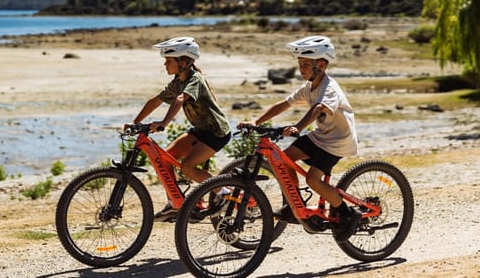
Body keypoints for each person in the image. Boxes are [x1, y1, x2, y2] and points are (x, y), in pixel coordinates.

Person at [238, 35, 361, 241]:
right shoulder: (309, 87)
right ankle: (294, 204)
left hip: (337, 141)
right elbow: (283, 104)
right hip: (321, 136)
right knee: (283, 161)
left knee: (313, 179)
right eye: (299, 64)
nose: (300, 68)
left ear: (320, 65)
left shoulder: (330, 88)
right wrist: (256, 122)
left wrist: (297, 127)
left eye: (305, 64)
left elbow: (319, 108)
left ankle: (347, 213)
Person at [127, 37, 232, 221]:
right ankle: (177, 203)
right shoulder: (178, 81)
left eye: (169, 61)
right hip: (200, 131)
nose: (165, 64)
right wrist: (135, 122)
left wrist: (164, 122)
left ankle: (224, 192)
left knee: (187, 168)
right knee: (165, 158)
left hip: (216, 132)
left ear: (183, 62)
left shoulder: (195, 79)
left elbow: (181, 99)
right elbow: (155, 101)